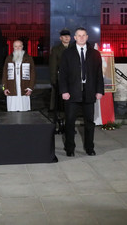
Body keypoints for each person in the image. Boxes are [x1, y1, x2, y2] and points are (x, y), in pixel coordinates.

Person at [58, 27, 104, 157]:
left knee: (89, 122)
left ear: (87, 37)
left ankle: (90, 148)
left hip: (89, 93)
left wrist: (99, 90)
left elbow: (99, 74)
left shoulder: (95, 54)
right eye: (79, 35)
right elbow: (63, 75)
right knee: (70, 122)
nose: (82, 37)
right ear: (75, 37)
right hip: (72, 93)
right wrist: (64, 91)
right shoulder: (67, 53)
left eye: (84, 35)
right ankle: (70, 148)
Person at [2, 40, 36, 112]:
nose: (17, 48)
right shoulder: (8, 58)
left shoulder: (29, 58)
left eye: (19, 46)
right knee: (12, 110)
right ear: (13, 47)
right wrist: (4, 88)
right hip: (11, 87)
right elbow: (4, 74)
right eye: (16, 46)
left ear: (22, 47)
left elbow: (33, 74)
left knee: (24, 110)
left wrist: (30, 88)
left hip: (24, 87)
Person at [49, 28, 71, 133]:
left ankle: (68, 125)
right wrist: (53, 80)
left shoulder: (74, 48)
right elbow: (53, 65)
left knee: (70, 104)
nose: (67, 38)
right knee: (59, 104)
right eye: (64, 36)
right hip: (60, 79)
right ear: (60, 38)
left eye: (68, 36)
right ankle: (59, 124)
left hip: (72, 80)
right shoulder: (56, 49)